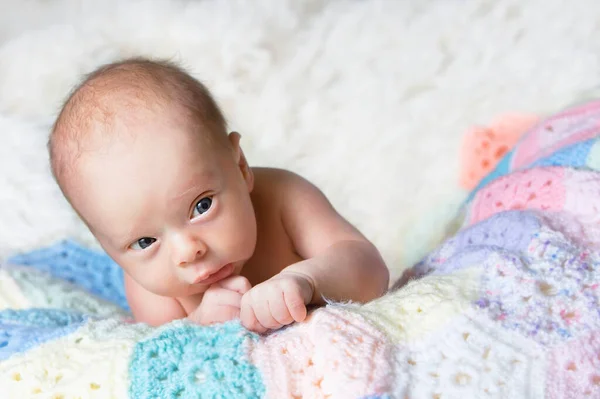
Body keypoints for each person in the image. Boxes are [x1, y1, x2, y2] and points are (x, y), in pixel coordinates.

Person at [48, 57, 389, 333]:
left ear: (240, 167)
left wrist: (306, 281)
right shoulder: (150, 288)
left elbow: (370, 269)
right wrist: (199, 327)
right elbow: (166, 355)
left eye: (202, 206)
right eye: (145, 242)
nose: (188, 251)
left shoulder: (285, 197)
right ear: (108, 248)